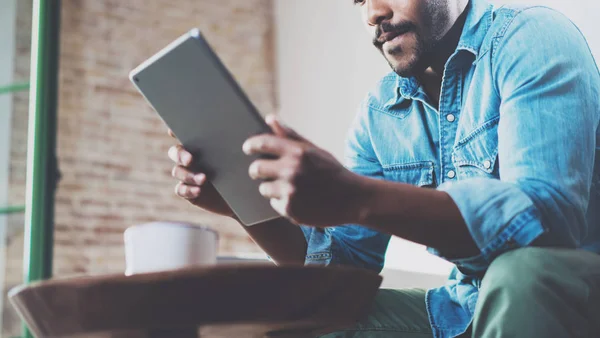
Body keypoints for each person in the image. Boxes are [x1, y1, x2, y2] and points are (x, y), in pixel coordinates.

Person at [168, 0, 600, 336]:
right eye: (359, 0)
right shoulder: (380, 114)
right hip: (468, 303)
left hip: (572, 290)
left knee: (520, 275)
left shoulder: (531, 37)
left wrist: (354, 196)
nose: (375, 13)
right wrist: (242, 199)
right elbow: (342, 271)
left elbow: (545, 220)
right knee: (305, 317)